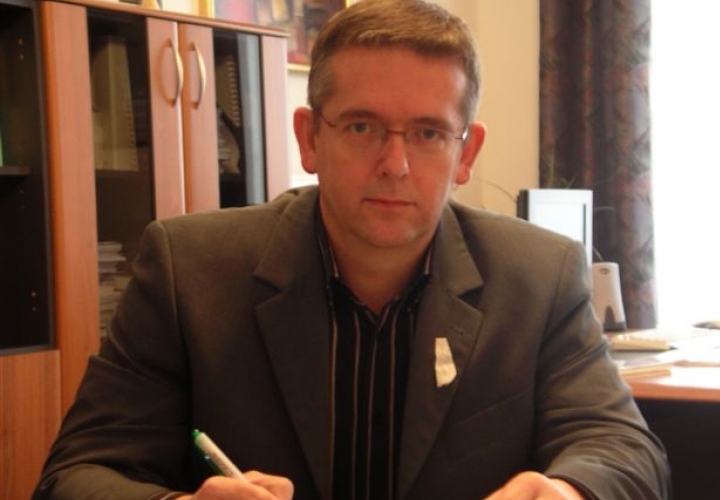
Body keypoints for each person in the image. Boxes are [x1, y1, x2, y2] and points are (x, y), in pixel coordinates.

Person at [34, 1, 670, 499]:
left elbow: (623, 449)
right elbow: (77, 475)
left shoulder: (539, 275)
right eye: (362, 126)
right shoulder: (189, 269)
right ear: (310, 138)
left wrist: (568, 490)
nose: (395, 164)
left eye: (428, 133)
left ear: (466, 153)